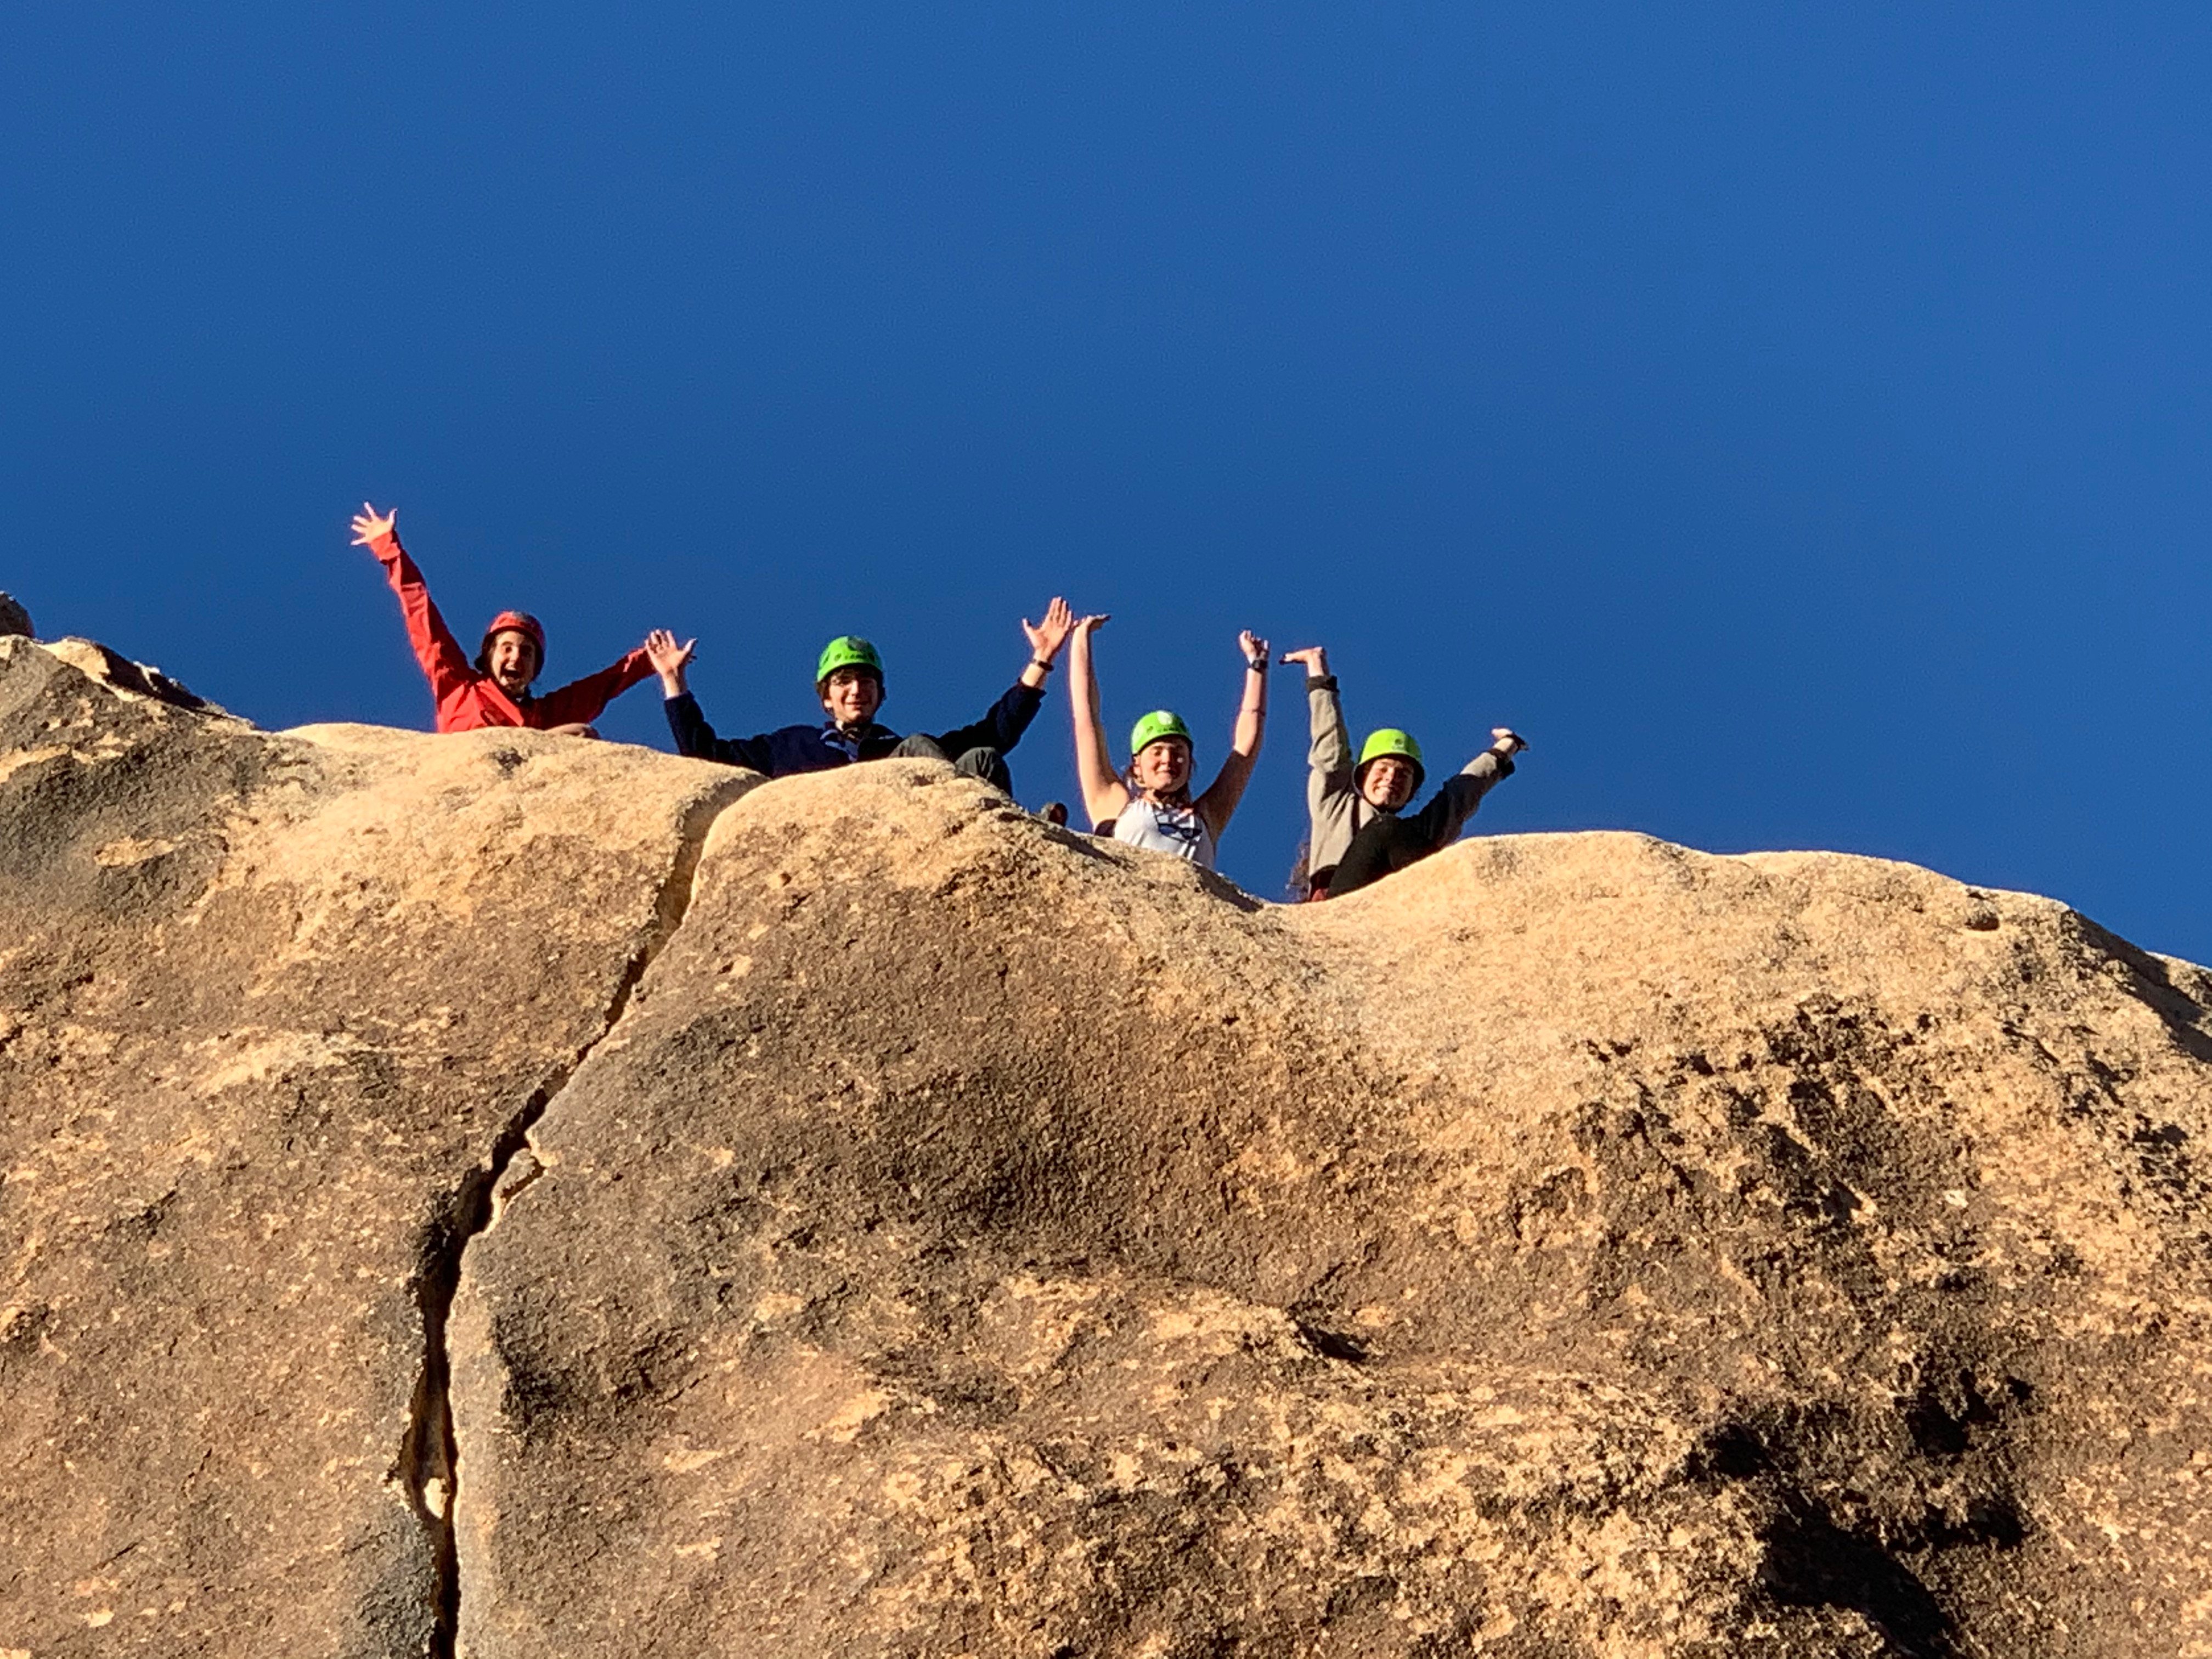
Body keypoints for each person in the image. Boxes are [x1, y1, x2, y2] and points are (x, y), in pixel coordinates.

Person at [645, 598, 1075, 787]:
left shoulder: (896, 748)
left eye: (866, 682)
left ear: (880, 694)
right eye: (843, 682)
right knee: (921, 748)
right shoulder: (791, 746)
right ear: (826, 698)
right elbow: (705, 754)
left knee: (982, 758)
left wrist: (1041, 661)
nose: (856, 691)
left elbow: (996, 732)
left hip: (920, 814)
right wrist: (674, 683)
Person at [350, 504, 656, 736]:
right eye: (507, 648)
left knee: (581, 734)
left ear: (536, 668)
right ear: (489, 655)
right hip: (465, 778)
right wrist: (389, 548)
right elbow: (422, 615)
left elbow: (603, 687)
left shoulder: (545, 715)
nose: (515, 657)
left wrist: (649, 660)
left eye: (526, 652)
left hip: (524, 792)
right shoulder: (460, 686)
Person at [1282, 644, 1525, 900]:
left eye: (1403, 775)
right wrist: (1316, 667)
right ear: (1363, 775)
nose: (1391, 779)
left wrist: (1507, 746)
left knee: (1399, 830)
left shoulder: (1415, 834)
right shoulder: (1335, 806)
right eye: (1383, 769)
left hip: (1397, 906)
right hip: (1339, 901)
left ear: (1411, 791)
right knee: (1384, 829)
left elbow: (1461, 793)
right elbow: (1330, 743)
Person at [1067, 614, 1268, 871]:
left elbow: (1246, 750)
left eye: (1178, 751)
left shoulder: (1207, 815)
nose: (1168, 760)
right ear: (1137, 764)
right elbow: (1086, 719)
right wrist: (1081, 637)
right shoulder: (1115, 804)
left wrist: (1257, 666)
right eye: (1157, 751)